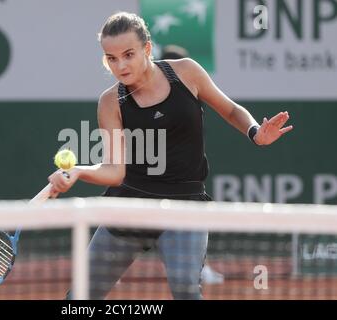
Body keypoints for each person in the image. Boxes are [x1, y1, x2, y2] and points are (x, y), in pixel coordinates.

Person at [48, 12, 293, 299]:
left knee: (186, 290)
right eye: (111, 58)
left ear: (147, 49)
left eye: (128, 54)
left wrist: (254, 131)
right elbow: (115, 171)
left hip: (185, 209)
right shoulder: (110, 102)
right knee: (79, 299)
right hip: (129, 208)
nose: (120, 65)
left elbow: (230, 109)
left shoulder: (187, 72)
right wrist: (78, 171)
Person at [160, 44, 225, 285]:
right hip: (153, 179)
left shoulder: (192, 97)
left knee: (189, 221)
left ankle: (197, 268)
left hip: (185, 178)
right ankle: (108, 268)